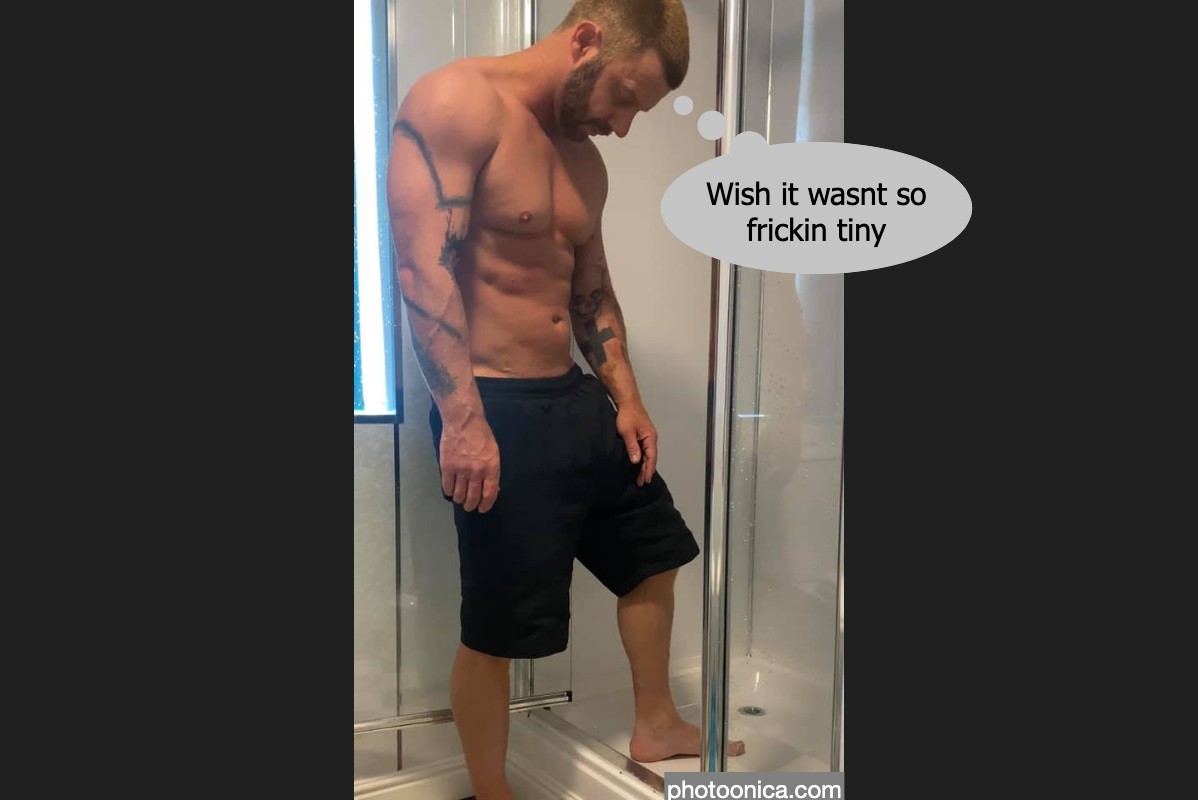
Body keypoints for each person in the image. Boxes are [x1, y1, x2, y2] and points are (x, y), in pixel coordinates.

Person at [386, 1, 744, 796]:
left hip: (575, 397)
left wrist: (628, 399)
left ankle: (657, 722)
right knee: (498, 623)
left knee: (655, 553)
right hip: (495, 405)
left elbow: (591, 289)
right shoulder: (456, 103)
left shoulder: (583, 160)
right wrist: (463, 421)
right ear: (586, 41)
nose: (623, 125)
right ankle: (492, 791)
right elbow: (421, 270)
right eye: (624, 96)